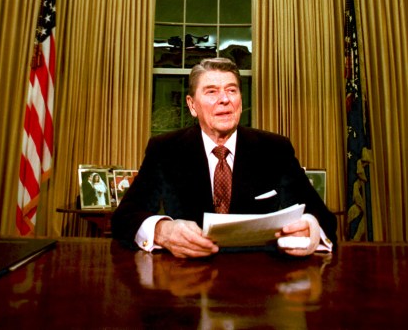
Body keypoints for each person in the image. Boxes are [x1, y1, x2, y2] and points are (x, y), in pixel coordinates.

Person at [112, 57, 337, 258]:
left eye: (231, 90)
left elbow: (323, 218)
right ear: (192, 105)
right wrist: (162, 231)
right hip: (187, 278)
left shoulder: (275, 149)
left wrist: (309, 227)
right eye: (211, 91)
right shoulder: (165, 149)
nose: (224, 99)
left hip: (260, 278)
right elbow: (124, 217)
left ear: (241, 100)